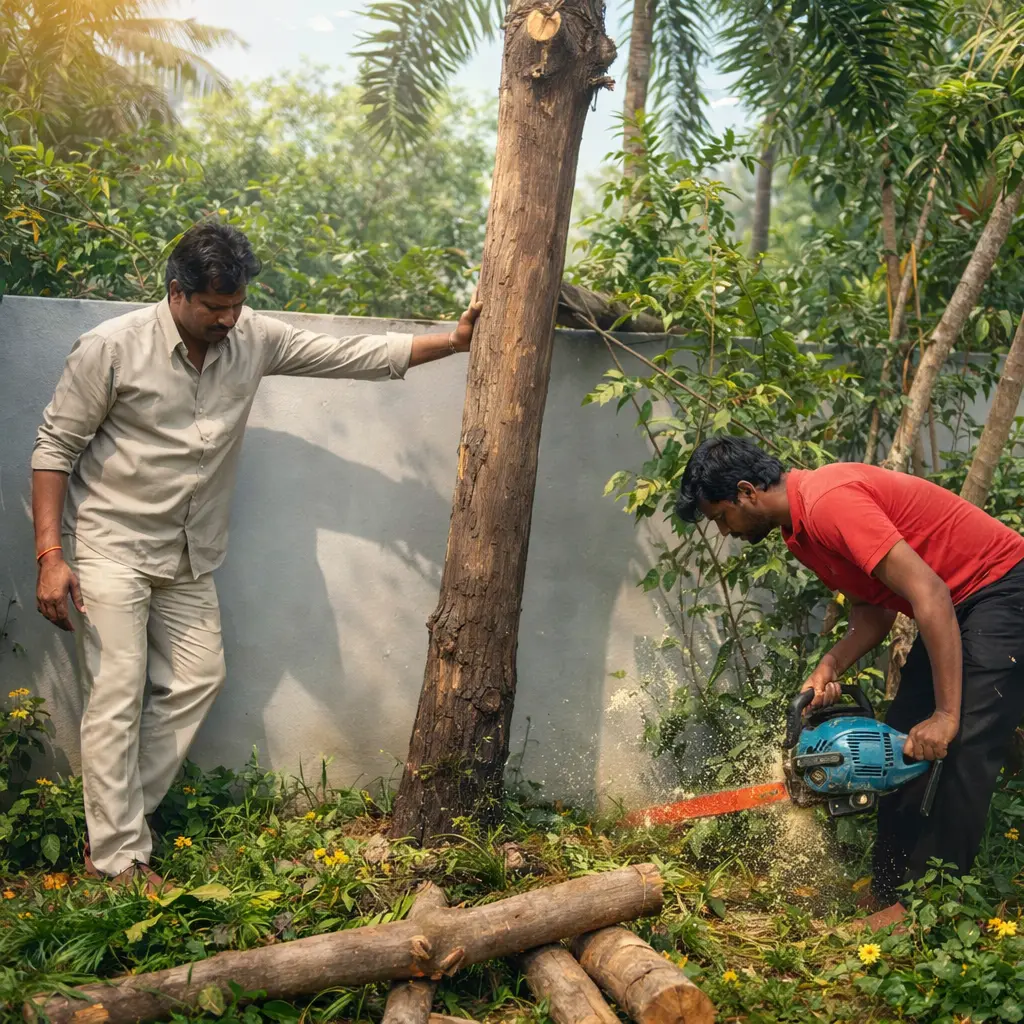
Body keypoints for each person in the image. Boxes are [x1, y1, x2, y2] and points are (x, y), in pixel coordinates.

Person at [31, 221, 482, 890]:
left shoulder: (252, 338)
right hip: (111, 546)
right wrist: (50, 554)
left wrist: (453, 341)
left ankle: (119, 823)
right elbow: (54, 450)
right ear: (177, 294)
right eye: (215, 307)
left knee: (199, 677)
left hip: (190, 551)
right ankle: (119, 856)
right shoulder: (112, 349)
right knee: (117, 695)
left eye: (237, 303)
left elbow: (347, 355)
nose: (229, 318)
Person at [675, 435, 1024, 921]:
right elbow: (875, 610)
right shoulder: (799, 535)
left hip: (1002, 588)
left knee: (962, 741)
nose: (725, 531)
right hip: (955, 604)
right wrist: (831, 664)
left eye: (720, 517)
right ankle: (889, 887)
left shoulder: (828, 503)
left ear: (746, 491)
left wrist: (946, 714)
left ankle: (932, 907)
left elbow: (929, 593)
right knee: (901, 738)